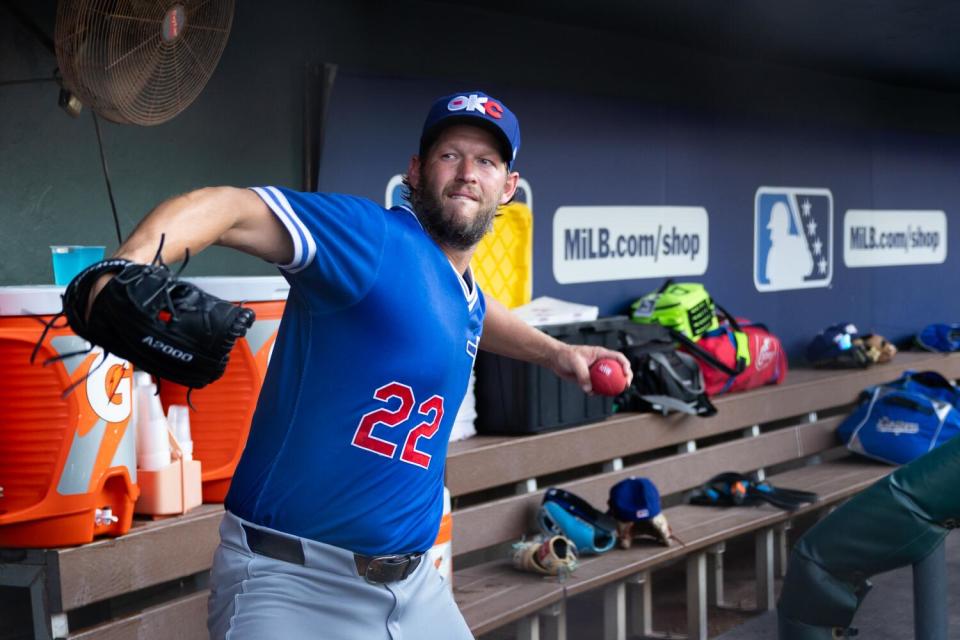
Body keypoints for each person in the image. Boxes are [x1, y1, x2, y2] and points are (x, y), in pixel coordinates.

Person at [92, 90, 632, 639]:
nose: (468, 172)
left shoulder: (457, 289)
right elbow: (231, 208)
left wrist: (558, 353)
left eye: (487, 161)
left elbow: (470, 311)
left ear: (508, 188)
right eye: (451, 155)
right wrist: (126, 264)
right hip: (293, 584)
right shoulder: (370, 239)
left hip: (417, 591)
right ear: (416, 172)